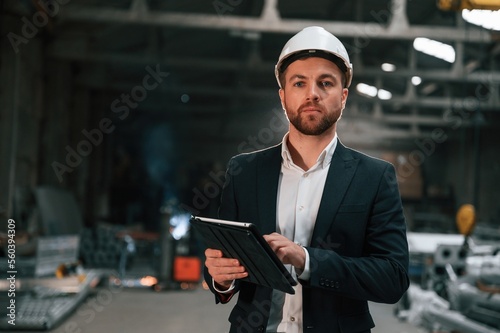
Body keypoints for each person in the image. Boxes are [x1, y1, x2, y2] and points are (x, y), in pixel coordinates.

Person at [204, 26, 409, 333]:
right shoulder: (244, 172)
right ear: (283, 96)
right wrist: (220, 278)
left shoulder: (374, 177)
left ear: (343, 97)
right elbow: (224, 260)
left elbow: (392, 279)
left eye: (325, 83)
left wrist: (306, 259)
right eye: (299, 83)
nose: (312, 93)